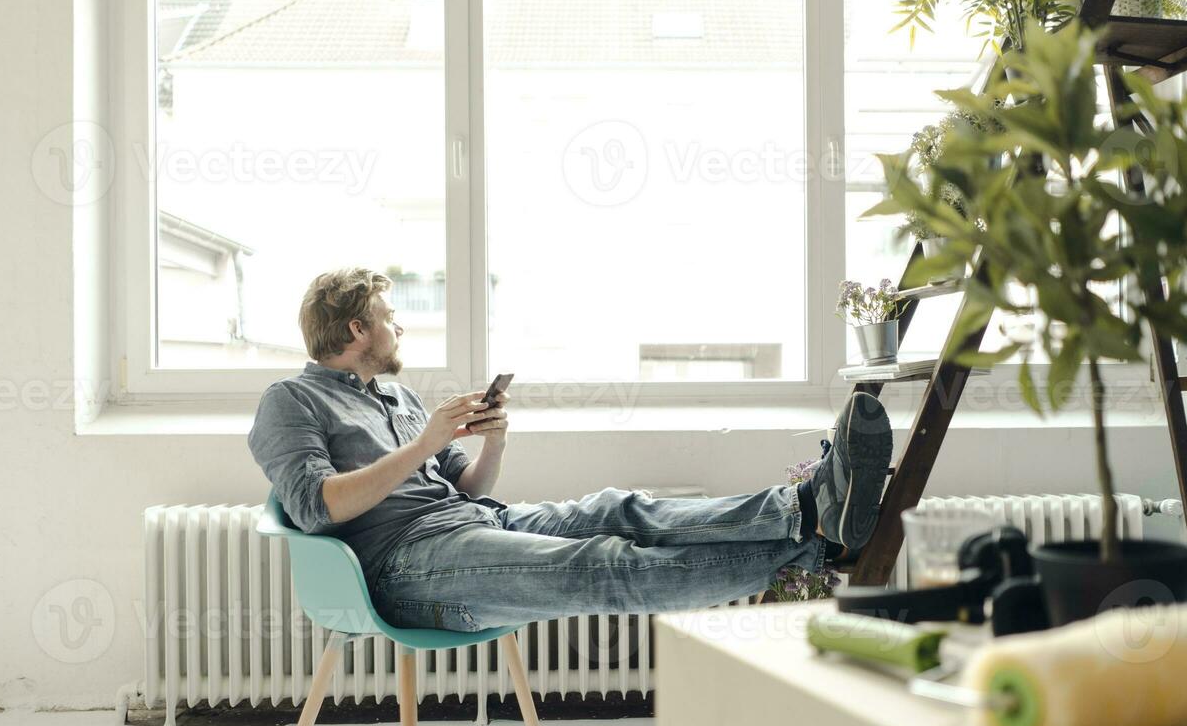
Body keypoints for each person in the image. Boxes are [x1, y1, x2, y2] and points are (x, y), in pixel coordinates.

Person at [248, 267, 893, 633]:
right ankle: (822, 541)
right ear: (358, 328)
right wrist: (424, 443)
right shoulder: (290, 402)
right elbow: (315, 508)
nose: (400, 325)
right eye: (390, 316)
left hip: (475, 525)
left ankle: (806, 505)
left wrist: (492, 446)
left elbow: (466, 490)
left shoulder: (398, 397)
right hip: (402, 570)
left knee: (623, 510)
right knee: (604, 563)